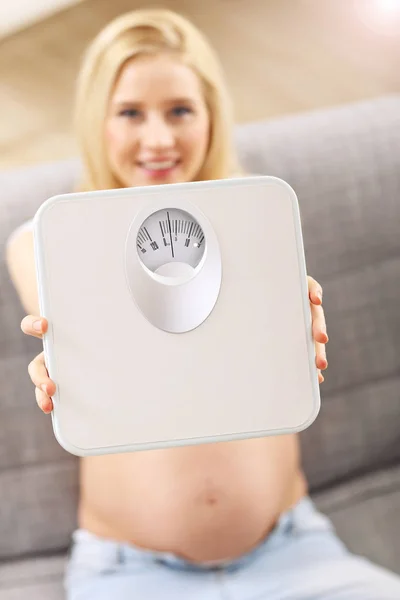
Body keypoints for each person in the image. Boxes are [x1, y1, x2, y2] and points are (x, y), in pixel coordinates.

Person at [5, 8, 400, 600]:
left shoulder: (262, 223)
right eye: (131, 113)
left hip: (297, 551)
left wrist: (292, 338)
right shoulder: (44, 243)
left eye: (181, 111)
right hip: (129, 571)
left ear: (213, 118)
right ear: (97, 121)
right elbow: (125, 372)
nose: (159, 138)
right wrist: (68, 368)